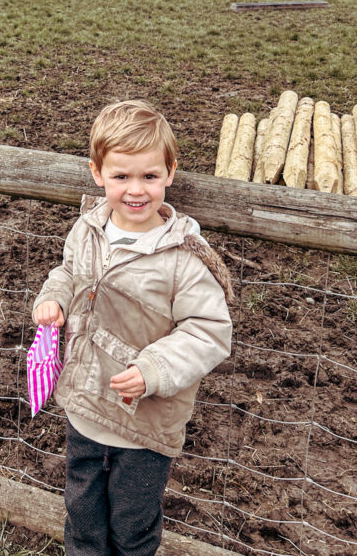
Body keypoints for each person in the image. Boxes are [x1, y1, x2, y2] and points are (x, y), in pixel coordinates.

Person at [33, 99, 233, 556]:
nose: (136, 190)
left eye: (149, 176)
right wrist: (53, 297)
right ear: (97, 173)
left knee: (133, 526)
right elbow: (68, 272)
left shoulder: (184, 256)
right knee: (81, 516)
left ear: (171, 173)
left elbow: (209, 330)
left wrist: (155, 369)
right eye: (121, 176)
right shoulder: (87, 229)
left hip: (145, 425)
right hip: (85, 405)